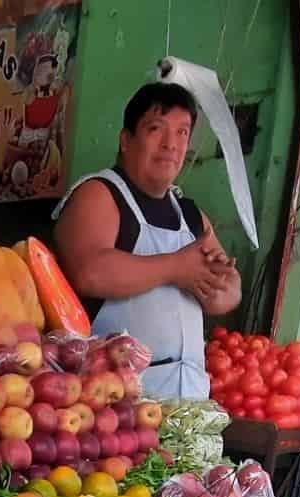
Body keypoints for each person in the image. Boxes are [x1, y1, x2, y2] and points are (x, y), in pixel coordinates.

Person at [53, 83, 241, 400]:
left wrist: (216, 284)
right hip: (113, 404)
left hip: (188, 401)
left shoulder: (191, 215)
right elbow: (89, 272)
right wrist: (175, 268)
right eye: (157, 129)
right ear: (126, 140)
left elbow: (230, 291)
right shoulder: (100, 194)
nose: (171, 144)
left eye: (182, 133)